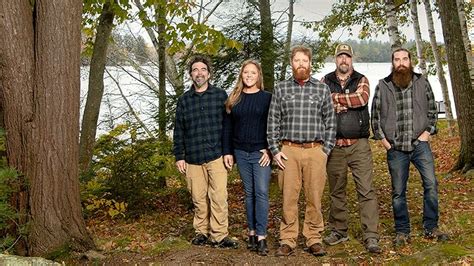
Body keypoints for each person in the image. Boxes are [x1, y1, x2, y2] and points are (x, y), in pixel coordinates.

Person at [371, 48, 449, 247]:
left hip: (419, 144)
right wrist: (385, 142)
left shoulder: (422, 81)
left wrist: (427, 133)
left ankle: (431, 227)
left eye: (404, 59)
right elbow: (375, 117)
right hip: (396, 147)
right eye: (397, 59)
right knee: (398, 191)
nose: (401, 63)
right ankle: (402, 231)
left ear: (410, 60)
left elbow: (433, 109)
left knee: (431, 184)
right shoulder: (383, 85)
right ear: (392, 62)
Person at [267, 45, 336, 257]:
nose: (301, 65)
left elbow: (330, 122)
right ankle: (288, 239)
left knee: (314, 197)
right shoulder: (281, 89)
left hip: (316, 150)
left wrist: (325, 150)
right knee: (289, 197)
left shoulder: (322, 89)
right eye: (297, 61)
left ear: (310, 63)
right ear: (291, 64)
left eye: (304, 61)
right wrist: (275, 150)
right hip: (289, 150)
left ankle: (313, 237)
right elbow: (273, 122)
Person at [173, 54, 239, 249]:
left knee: (219, 196)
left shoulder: (219, 95)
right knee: (198, 198)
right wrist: (179, 156)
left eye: (203, 69)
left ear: (209, 74)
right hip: (192, 157)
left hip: (216, 155)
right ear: (191, 75)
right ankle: (201, 232)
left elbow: (228, 126)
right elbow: (179, 130)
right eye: (195, 70)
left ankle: (219, 235)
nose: (199, 73)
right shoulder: (184, 100)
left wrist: (229, 152)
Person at [321, 44, 381, 253]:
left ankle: (371, 235)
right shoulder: (325, 80)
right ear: (335, 59)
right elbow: (321, 104)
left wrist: (335, 99)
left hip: (359, 145)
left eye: (347, 57)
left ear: (351, 59)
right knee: (336, 190)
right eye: (340, 57)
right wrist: (342, 102)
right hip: (334, 145)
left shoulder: (361, 79)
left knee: (366, 190)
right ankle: (339, 230)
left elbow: (361, 98)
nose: (343, 60)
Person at [224, 59, 272, 256]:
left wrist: (270, 150)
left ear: (259, 75)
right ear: (241, 76)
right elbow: (227, 128)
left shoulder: (268, 98)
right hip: (241, 153)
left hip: (261, 153)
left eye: (253, 73)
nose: (249, 76)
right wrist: (228, 152)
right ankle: (251, 232)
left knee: (261, 192)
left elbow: (274, 125)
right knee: (249, 193)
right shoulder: (234, 98)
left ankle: (261, 236)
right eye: (246, 73)